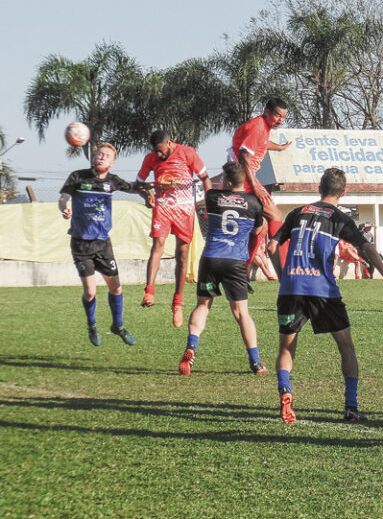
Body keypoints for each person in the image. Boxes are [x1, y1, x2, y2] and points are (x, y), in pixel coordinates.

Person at [267, 168, 383, 424]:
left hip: (291, 289)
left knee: (287, 348)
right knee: (346, 347)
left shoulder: (297, 213)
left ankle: (285, 390)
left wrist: (283, 275)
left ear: (319, 188)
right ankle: (351, 407)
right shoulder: (339, 218)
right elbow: (368, 250)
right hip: (323, 291)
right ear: (343, 192)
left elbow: (272, 245)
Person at [178, 162, 268, 376]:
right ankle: (255, 362)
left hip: (211, 258)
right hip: (235, 261)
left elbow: (204, 201)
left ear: (227, 181)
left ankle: (191, 348)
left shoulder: (212, 198)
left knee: (203, 305)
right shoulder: (254, 202)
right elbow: (258, 229)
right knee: (241, 313)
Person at [59, 143, 141, 347]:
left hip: (103, 244)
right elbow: (63, 197)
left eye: (107, 155)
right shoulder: (78, 176)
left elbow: (132, 188)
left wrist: (149, 192)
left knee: (116, 287)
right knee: (90, 292)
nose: (102, 157)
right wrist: (64, 208)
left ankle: (118, 326)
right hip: (80, 244)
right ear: (94, 157)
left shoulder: (112, 181)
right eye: (99, 154)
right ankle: (92, 324)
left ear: (112, 163)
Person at [137, 131, 212, 328]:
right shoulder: (150, 158)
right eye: (155, 152)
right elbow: (139, 184)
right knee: (158, 246)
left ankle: (177, 303)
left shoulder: (187, 153)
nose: (159, 156)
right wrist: (148, 194)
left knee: (182, 254)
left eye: (161, 151)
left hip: (184, 209)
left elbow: (205, 177)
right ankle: (149, 291)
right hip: (163, 207)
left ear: (169, 143)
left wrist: (210, 204)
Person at [232, 97, 291, 271]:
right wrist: (256, 187)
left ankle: (242, 271)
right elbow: (244, 157)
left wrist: (280, 147)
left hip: (244, 177)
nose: (280, 120)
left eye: (283, 118)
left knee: (261, 228)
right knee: (275, 215)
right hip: (245, 178)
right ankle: (285, 269)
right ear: (266, 112)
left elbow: (263, 144)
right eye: (277, 116)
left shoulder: (263, 128)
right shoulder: (257, 127)